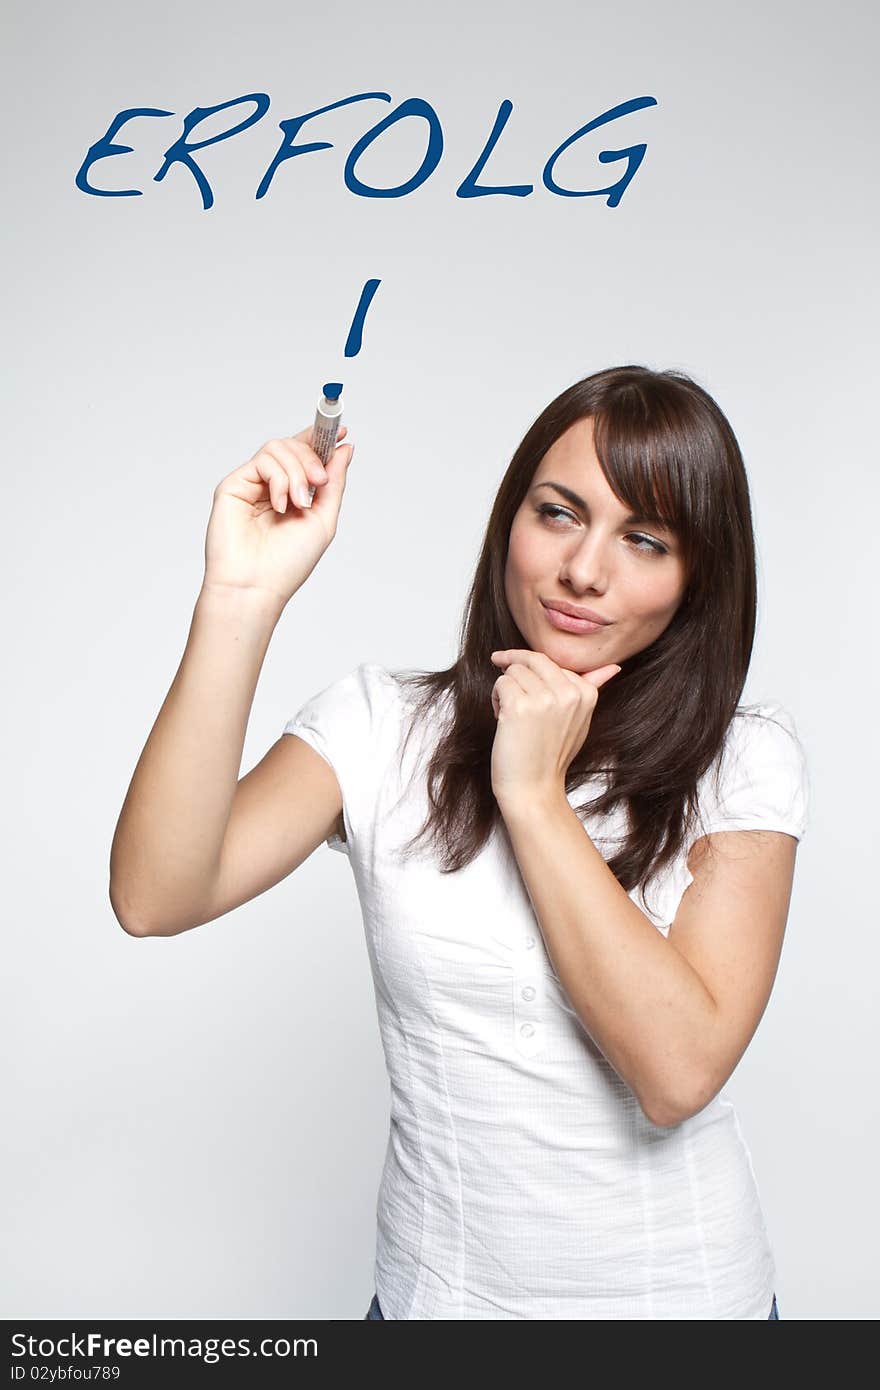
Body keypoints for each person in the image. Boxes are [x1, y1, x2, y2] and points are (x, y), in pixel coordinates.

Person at [109, 365, 807, 1320]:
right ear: (509, 520)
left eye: (644, 539)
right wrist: (240, 595)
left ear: (698, 579)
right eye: (558, 513)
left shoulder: (743, 759)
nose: (585, 570)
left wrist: (533, 795)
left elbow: (677, 1074)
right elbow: (155, 895)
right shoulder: (382, 725)